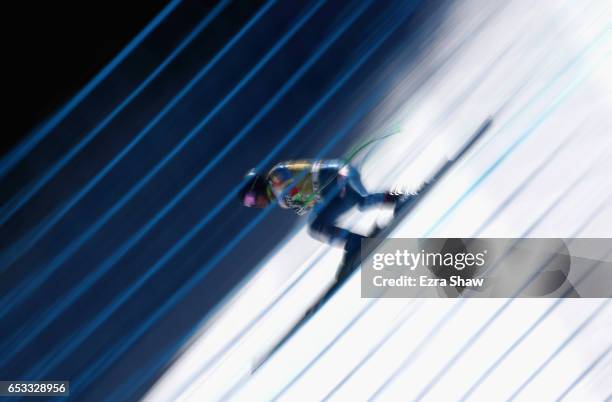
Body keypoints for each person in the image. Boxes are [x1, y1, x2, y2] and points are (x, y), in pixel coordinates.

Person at [238, 159, 414, 252]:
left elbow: (291, 183)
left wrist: (297, 198)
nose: (255, 205)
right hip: (335, 184)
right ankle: (398, 198)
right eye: (249, 204)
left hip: (337, 178)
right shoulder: (280, 198)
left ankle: (358, 244)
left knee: (317, 225)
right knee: (360, 203)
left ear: (257, 188)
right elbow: (305, 199)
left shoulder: (275, 176)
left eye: (251, 200)